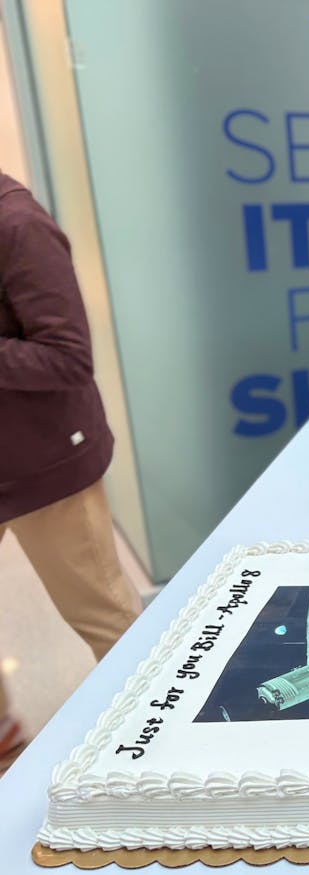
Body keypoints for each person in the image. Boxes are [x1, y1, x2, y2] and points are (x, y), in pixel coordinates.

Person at [0, 172, 141, 773]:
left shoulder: (17, 225)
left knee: (106, 617)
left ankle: (160, 743)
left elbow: (68, 356)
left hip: (45, 466)